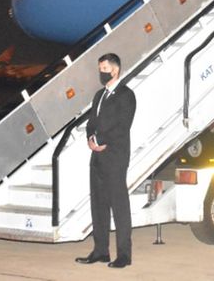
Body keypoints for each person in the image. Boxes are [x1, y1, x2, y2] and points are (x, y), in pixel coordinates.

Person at [76, 53, 137, 268]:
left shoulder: (126, 95)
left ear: (115, 70)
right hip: (97, 158)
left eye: (104, 68)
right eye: (99, 68)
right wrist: (91, 138)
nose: (100, 72)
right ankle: (101, 251)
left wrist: (102, 140)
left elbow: (122, 127)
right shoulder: (99, 95)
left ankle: (124, 255)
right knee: (98, 206)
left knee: (119, 207)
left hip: (115, 158)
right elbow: (91, 122)